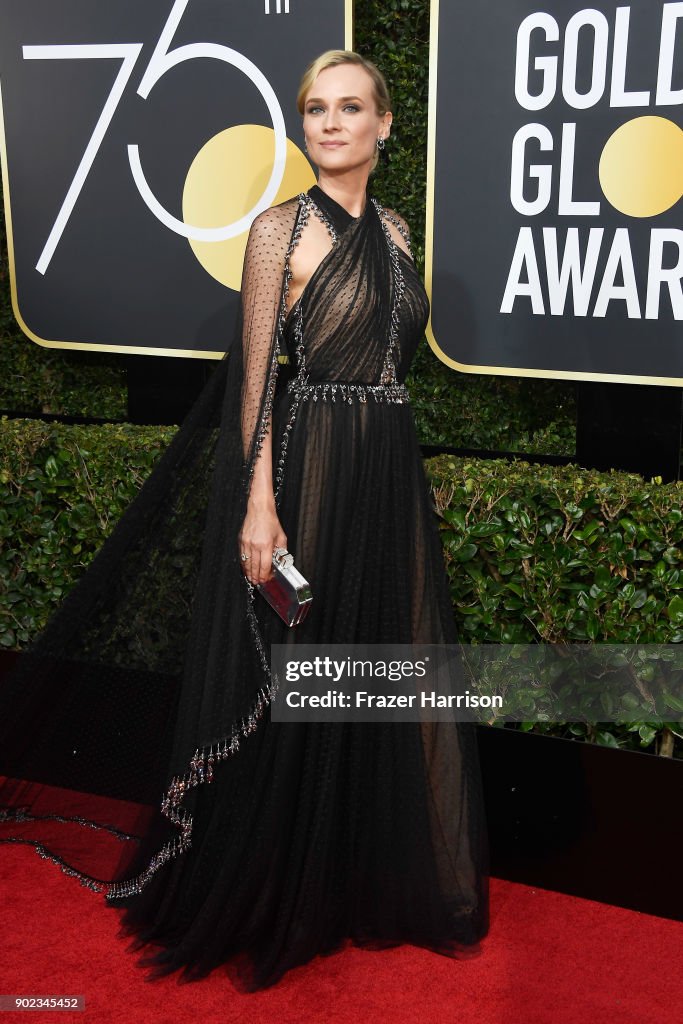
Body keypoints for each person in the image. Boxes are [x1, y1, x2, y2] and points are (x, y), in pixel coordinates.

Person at [0, 50, 489, 991]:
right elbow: (256, 378)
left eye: (351, 109)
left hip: (386, 471)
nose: (331, 123)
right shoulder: (278, 232)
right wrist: (259, 503)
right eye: (316, 109)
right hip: (306, 466)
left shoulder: (392, 231)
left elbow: (390, 367)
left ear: (385, 127)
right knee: (293, 672)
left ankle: (354, 876)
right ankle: (273, 884)